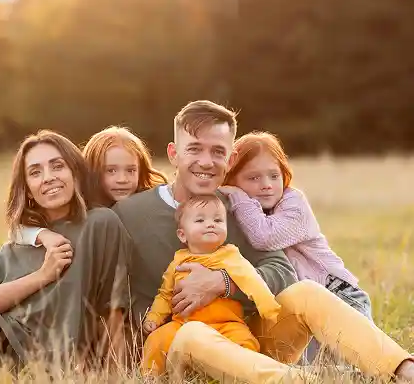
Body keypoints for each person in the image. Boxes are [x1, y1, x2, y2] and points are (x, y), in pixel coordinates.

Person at [111, 100, 414, 383]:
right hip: (175, 348)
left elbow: (282, 271)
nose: (206, 161)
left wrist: (223, 282)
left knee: (306, 292)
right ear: (174, 154)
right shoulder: (130, 214)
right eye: (195, 149)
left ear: (230, 160)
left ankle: (401, 369)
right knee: (193, 334)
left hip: (242, 338)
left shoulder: (234, 207)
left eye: (217, 152)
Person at [0, 130, 130, 371]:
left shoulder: (100, 224)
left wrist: (117, 374)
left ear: (75, 172)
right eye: (35, 172)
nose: (48, 178)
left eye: (57, 166)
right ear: (27, 188)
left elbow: (112, 309)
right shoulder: (15, 245)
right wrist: (42, 276)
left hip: (49, 360)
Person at [220, 131, 373, 362]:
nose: (267, 186)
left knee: (360, 367)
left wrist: (238, 196)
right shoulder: (240, 214)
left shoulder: (294, 204)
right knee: (301, 368)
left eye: (274, 175)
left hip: (338, 297)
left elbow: (264, 236)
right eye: (253, 178)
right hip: (298, 310)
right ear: (232, 179)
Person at [141, 194, 281, 376]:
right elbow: (165, 294)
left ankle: (243, 375)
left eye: (218, 220)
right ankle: (149, 377)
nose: (210, 224)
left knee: (245, 343)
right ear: (182, 234)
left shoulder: (230, 255)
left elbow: (251, 280)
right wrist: (154, 317)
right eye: (200, 220)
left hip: (227, 324)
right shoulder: (178, 261)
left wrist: (268, 307)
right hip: (183, 325)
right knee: (157, 340)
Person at [15, 126, 168, 249]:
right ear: (93, 171)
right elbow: (16, 231)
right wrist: (42, 235)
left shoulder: (148, 206)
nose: (123, 179)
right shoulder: (82, 210)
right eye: (111, 171)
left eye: (131, 170)